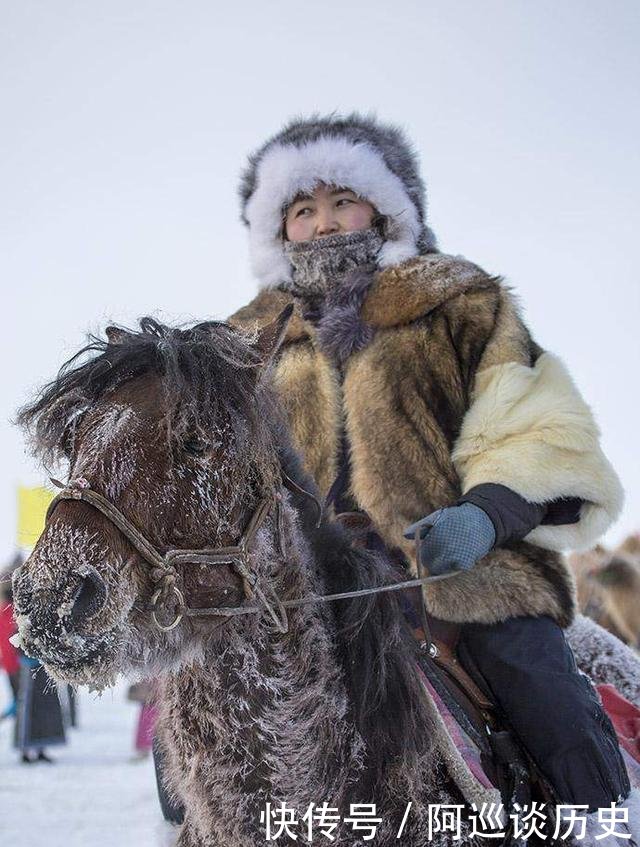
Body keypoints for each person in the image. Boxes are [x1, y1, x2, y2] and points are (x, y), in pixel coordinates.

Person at [229, 114, 637, 835]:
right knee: (199, 742)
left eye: (342, 201)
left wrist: (483, 515)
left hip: (455, 573)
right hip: (299, 591)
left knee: (544, 693)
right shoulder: (244, 340)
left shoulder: (458, 299)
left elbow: (540, 427)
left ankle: (606, 824)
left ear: (386, 206)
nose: (324, 223)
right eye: (302, 209)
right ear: (278, 229)